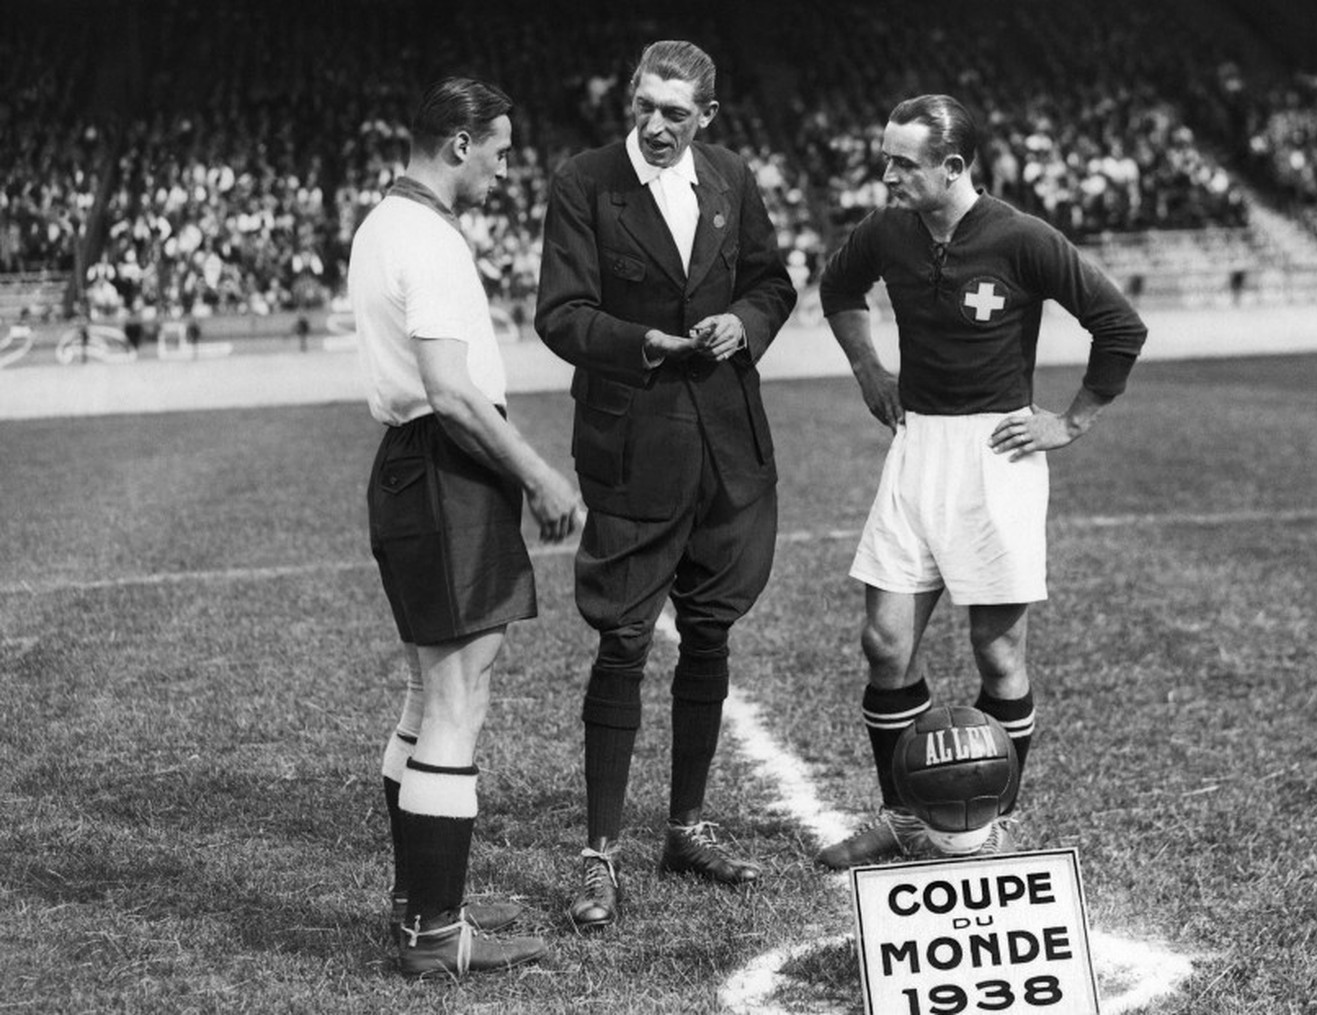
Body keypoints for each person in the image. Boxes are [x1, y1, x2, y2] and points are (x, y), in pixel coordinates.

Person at [814, 95, 1148, 869]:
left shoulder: (1021, 238)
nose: (887, 175)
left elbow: (1119, 325)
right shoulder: (886, 231)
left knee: (999, 653)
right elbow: (839, 291)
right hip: (917, 445)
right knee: (885, 641)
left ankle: (994, 822)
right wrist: (870, 367)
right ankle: (903, 816)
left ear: (954, 167)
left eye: (903, 163)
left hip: (996, 455)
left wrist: (1071, 420)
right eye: (887, 158)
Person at [536, 40, 796, 929]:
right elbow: (560, 314)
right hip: (632, 443)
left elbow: (773, 280)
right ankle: (599, 852)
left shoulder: (729, 175)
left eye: (674, 113)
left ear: (707, 118)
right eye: (644, 106)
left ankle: (686, 825)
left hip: (729, 446)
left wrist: (744, 321)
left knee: (711, 630)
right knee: (623, 638)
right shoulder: (585, 181)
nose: (654, 125)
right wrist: (644, 343)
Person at [349, 76, 584, 979]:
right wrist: (537, 473)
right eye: (497, 148)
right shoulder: (428, 238)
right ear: (457, 143)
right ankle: (437, 933)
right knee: (457, 701)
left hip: (409, 470)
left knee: (426, 694)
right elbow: (450, 390)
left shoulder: (380, 224)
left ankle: (420, 910)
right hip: (447, 471)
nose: (502, 166)